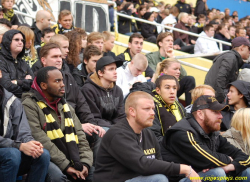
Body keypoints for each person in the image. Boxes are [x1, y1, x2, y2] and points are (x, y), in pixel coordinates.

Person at [93, 91, 200, 182]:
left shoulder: (148, 134)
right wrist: (184, 169)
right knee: (159, 179)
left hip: (142, 179)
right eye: (147, 109)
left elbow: (159, 165)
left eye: (153, 109)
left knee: (213, 174)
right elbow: (143, 165)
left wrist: (196, 169)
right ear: (132, 111)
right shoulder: (118, 134)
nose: (153, 113)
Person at [22, 66, 93, 182]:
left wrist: (85, 163)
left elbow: (81, 137)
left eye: (62, 80)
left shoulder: (66, 107)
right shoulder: (29, 105)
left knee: (94, 174)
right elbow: (42, 140)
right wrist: (66, 166)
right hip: (46, 158)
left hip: (72, 158)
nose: (63, 84)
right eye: (57, 81)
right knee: (58, 177)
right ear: (44, 85)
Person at [161, 95, 250, 182]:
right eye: (215, 112)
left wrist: (230, 166)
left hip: (201, 175)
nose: (221, 116)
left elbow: (246, 158)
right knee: (217, 174)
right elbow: (210, 159)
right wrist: (229, 159)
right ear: (200, 114)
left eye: (220, 112)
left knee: (246, 172)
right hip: (182, 179)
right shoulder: (182, 133)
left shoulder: (213, 134)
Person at [0, 78, 50, 182]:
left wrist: (31, 144)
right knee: (12, 155)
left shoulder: (11, 100)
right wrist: (19, 145)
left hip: (10, 150)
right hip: (10, 152)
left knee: (42, 154)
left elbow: (23, 131)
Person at [81, 56, 126, 165]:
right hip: (94, 126)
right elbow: (92, 117)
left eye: (115, 69)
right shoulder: (88, 89)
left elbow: (120, 116)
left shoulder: (118, 90)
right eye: (111, 69)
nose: (115, 72)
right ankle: (98, 170)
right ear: (100, 73)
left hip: (111, 126)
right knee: (104, 133)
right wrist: (113, 128)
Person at [205, 37, 250, 103]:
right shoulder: (231, 57)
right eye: (249, 48)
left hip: (214, 95)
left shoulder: (232, 57)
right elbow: (220, 78)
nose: (249, 52)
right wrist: (222, 100)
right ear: (242, 47)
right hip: (214, 97)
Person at [151, 75, 185, 142]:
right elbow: (154, 136)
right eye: (167, 88)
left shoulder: (179, 105)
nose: (172, 91)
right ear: (158, 90)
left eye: (174, 88)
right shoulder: (151, 106)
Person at [0, 29, 34, 98]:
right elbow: (6, 86)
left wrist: (17, 82)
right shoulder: (1, 60)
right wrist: (25, 83)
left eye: (22, 40)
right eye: (16, 40)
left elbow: (33, 84)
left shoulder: (23, 62)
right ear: (8, 42)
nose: (20, 42)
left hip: (24, 101)